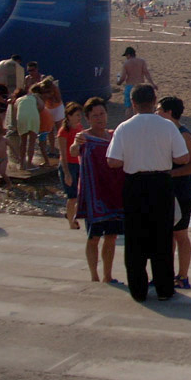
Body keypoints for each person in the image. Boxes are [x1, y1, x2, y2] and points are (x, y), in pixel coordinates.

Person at [106, 85, 189, 303]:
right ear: (153, 101)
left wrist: (133, 156)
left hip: (135, 183)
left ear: (133, 103)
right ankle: (164, 288)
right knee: (162, 237)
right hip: (161, 182)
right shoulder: (168, 127)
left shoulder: (123, 127)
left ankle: (138, 290)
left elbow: (113, 161)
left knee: (135, 238)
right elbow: (183, 157)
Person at [75, 98, 123, 284]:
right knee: (94, 237)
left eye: (102, 114)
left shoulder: (113, 136)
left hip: (113, 193)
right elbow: (73, 151)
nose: (99, 118)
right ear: (88, 118)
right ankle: (94, 275)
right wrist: (76, 144)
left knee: (111, 236)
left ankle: (107, 275)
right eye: (95, 116)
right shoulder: (84, 137)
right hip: (94, 194)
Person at [156, 96, 191, 290]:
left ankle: (182, 276)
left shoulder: (184, 134)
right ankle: (165, 274)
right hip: (166, 190)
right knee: (166, 235)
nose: (156, 113)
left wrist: (171, 173)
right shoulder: (162, 132)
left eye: (159, 110)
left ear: (169, 113)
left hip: (183, 191)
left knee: (180, 234)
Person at [58, 102, 84, 229]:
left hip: (78, 163)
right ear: (69, 116)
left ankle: (71, 215)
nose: (79, 117)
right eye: (77, 115)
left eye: (80, 115)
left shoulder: (79, 127)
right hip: (68, 165)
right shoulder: (63, 131)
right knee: (72, 196)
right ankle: (71, 222)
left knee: (80, 195)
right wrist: (66, 173)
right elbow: (62, 153)